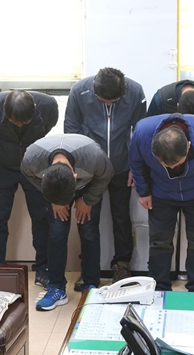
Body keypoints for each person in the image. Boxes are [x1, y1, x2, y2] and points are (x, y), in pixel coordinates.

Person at [129, 113, 194, 292]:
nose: (172, 169)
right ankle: (159, 286)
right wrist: (144, 192)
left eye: (176, 163)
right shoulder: (142, 134)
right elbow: (136, 164)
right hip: (161, 193)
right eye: (165, 164)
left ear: (189, 147)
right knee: (160, 240)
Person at [65, 67, 146, 288]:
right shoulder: (79, 91)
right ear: (94, 91)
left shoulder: (136, 92)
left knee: (121, 217)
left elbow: (140, 131)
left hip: (122, 167)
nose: (109, 105)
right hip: (90, 169)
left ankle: (122, 265)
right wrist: (80, 167)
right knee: (88, 219)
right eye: (104, 101)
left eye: (114, 101)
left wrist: (135, 167)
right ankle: (88, 271)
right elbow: (71, 129)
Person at [21, 134, 114, 310]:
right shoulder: (31, 159)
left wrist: (88, 200)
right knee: (56, 232)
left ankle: (90, 285)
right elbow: (29, 176)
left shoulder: (94, 157)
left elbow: (106, 175)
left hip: (87, 188)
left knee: (88, 230)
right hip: (54, 189)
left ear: (75, 175)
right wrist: (54, 200)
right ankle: (56, 288)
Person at [0, 90, 58, 289]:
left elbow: (47, 129)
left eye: (23, 123)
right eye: (14, 122)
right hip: (3, 166)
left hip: (34, 167)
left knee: (41, 217)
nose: (19, 126)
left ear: (34, 109)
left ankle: (43, 267)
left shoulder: (48, 105)